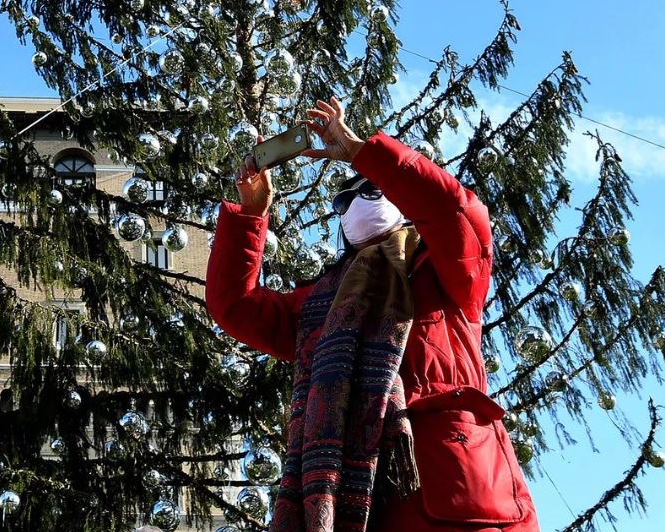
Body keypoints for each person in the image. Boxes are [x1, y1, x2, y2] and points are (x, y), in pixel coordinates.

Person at [207, 97, 539, 532]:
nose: (355, 203)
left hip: (456, 499)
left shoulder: (442, 270)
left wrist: (360, 151)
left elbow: (458, 213)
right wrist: (252, 213)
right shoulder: (323, 302)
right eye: (343, 201)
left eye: (370, 189)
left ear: (399, 202)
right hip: (358, 508)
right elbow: (236, 307)